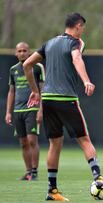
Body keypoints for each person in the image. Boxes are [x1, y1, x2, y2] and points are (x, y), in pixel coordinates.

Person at [23, 12, 103, 201]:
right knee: (84, 139)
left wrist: (35, 91)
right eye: (82, 28)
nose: (83, 31)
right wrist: (86, 81)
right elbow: (76, 59)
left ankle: (52, 191)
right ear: (78, 26)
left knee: (54, 144)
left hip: (48, 99)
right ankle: (98, 177)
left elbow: (27, 64)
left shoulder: (48, 44)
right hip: (65, 99)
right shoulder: (75, 42)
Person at [5, 42, 44, 181]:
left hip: (32, 109)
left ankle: (34, 172)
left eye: (24, 50)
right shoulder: (13, 69)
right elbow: (11, 91)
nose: (22, 53)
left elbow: (42, 89)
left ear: (29, 52)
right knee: (23, 143)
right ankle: (28, 172)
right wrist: (8, 112)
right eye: (19, 51)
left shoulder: (37, 67)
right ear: (16, 53)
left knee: (32, 140)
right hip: (17, 110)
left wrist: (40, 110)